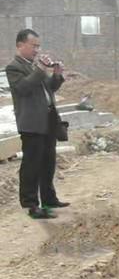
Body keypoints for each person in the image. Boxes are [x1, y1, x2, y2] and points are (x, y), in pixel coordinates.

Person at [5, 29, 69, 219]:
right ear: (20, 45)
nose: (37, 50)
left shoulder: (33, 66)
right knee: (31, 164)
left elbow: (49, 88)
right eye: (34, 46)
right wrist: (41, 69)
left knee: (48, 161)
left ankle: (49, 198)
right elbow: (23, 88)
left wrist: (57, 75)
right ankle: (30, 204)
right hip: (31, 123)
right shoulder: (14, 67)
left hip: (47, 120)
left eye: (38, 46)